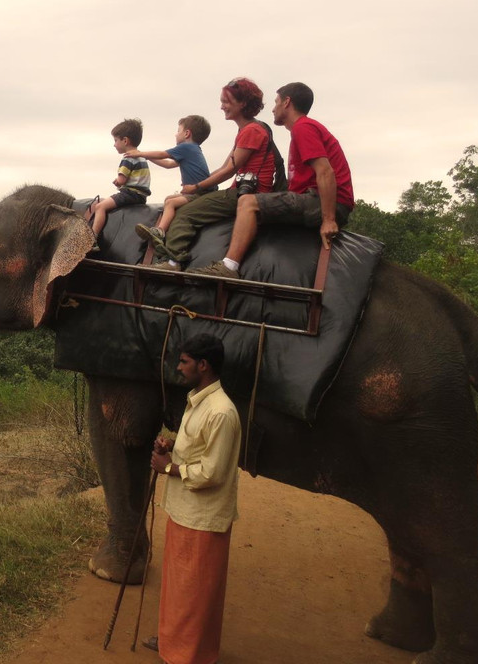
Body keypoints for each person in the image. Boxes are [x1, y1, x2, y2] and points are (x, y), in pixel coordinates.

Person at [190, 82, 354, 279]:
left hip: (326, 202)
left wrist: (329, 220)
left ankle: (229, 267)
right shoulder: (302, 130)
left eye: (276, 102)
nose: (273, 108)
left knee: (248, 202)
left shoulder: (304, 127)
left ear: (287, 103)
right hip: (316, 199)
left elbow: (326, 172)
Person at [145, 334, 241, 664]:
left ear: (203, 365)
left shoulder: (222, 413)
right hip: (185, 511)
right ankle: (172, 641)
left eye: (184, 361)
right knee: (179, 586)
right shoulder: (197, 400)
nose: (179, 367)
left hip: (203, 517)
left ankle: (187, 655)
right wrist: (172, 446)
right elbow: (198, 449)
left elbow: (212, 472)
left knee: (196, 592)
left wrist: (169, 467)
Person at [135, 78, 278, 269]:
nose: (222, 106)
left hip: (248, 194)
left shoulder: (252, 131)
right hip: (245, 191)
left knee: (185, 213)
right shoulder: (249, 129)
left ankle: (173, 261)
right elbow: (225, 167)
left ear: (242, 103)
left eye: (226, 102)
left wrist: (196, 187)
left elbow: (230, 170)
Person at [124, 115, 213, 245]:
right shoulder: (192, 151)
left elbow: (162, 154)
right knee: (168, 199)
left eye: (178, 131)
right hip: (196, 192)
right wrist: (147, 157)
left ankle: (159, 231)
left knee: (171, 203)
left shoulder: (186, 147)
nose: (175, 134)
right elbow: (169, 164)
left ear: (187, 133)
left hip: (200, 193)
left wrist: (140, 154)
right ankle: (166, 224)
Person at [88, 118, 151, 239]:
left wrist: (117, 181)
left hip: (129, 194)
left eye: (116, 140)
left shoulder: (127, 158)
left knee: (100, 206)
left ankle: (93, 237)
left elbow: (122, 181)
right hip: (141, 197)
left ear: (125, 141)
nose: (114, 144)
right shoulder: (142, 157)